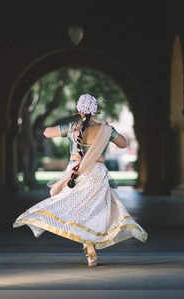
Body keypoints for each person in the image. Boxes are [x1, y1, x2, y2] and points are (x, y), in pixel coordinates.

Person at [12, 93, 148, 267]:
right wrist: (110, 131)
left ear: (78, 109)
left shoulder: (73, 128)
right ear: (96, 110)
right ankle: (91, 247)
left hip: (75, 174)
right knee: (93, 212)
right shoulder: (105, 129)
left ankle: (89, 247)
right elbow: (124, 144)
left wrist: (66, 126)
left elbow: (46, 132)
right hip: (97, 175)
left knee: (77, 211)